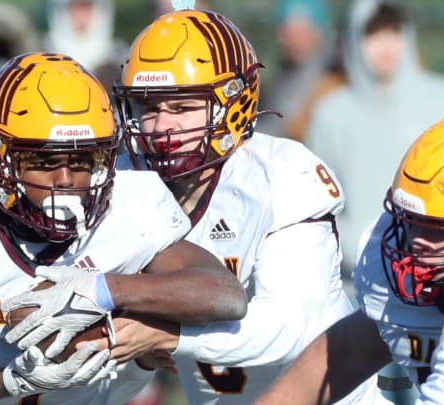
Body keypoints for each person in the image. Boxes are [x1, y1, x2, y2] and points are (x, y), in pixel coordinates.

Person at [0, 52, 247, 404]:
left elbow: (225, 294)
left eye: (81, 160)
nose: (66, 179)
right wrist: (9, 380)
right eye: (45, 160)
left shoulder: (130, 208)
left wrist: (104, 290)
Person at [101, 7, 380, 404]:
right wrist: (140, 357)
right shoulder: (124, 185)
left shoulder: (281, 175)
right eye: (149, 108)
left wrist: (171, 335)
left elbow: (290, 327)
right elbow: (111, 386)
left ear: (233, 104)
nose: (163, 127)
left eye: (182, 108)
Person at [256, 118, 444, 405]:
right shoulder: (391, 257)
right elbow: (352, 351)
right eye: (413, 222)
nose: (418, 241)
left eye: (438, 228)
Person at [305, 0, 444, 274]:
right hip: (354, 279)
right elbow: (314, 202)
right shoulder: (330, 112)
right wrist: (356, 244)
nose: (385, 44)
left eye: (394, 30)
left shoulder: (439, 100)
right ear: (354, 39)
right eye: (372, 33)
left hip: (431, 270)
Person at [256, 0, 338, 142]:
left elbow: (287, 128)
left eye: (301, 32)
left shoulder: (332, 77)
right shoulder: (284, 73)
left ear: (318, 32)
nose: (293, 40)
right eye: (287, 32)